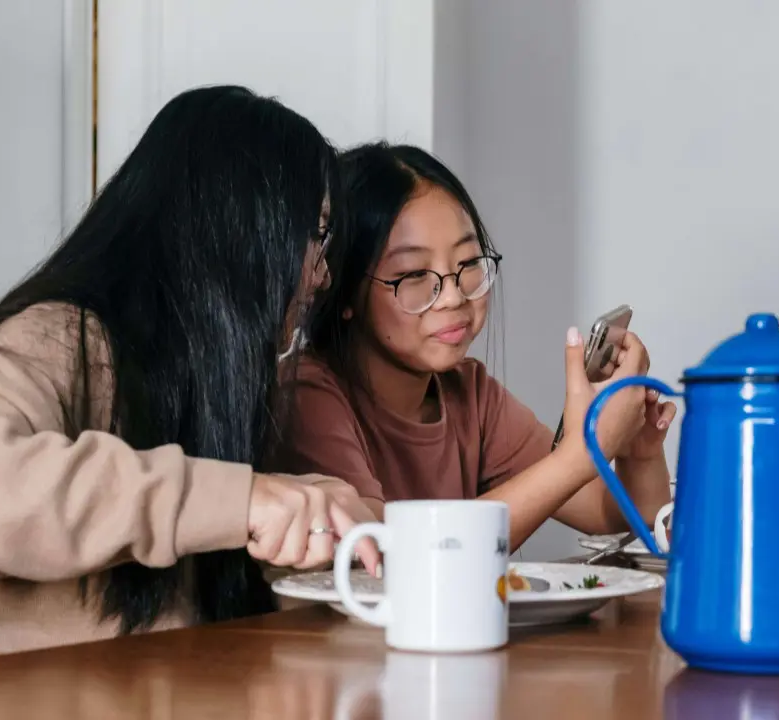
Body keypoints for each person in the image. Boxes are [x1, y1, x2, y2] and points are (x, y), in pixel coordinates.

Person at [0, 86, 379, 668]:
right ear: (237, 228)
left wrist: (298, 527)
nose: (321, 278)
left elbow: (177, 604)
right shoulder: (60, 336)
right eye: (316, 237)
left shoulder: (206, 375)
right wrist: (235, 499)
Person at [280, 142, 675, 549]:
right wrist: (578, 456)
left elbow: (612, 514)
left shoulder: (470, 392)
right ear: (342, 289)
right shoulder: (308, 394)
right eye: (414, 274)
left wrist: (639, 451)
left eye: (468, 264)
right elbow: (382, 554)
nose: (453, 296)